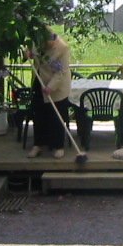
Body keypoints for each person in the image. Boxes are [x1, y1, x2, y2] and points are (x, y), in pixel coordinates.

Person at [25, 28, 72, 159]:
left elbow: (61, 72)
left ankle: (58, 146)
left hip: (57, 86)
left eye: (48, 43)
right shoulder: (36, 42)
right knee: (39, 115)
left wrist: (51, 87)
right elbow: (30, 53)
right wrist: (27, 53)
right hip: (39, 81)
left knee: (56, 116)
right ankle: (38, 145)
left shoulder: (63, 48)